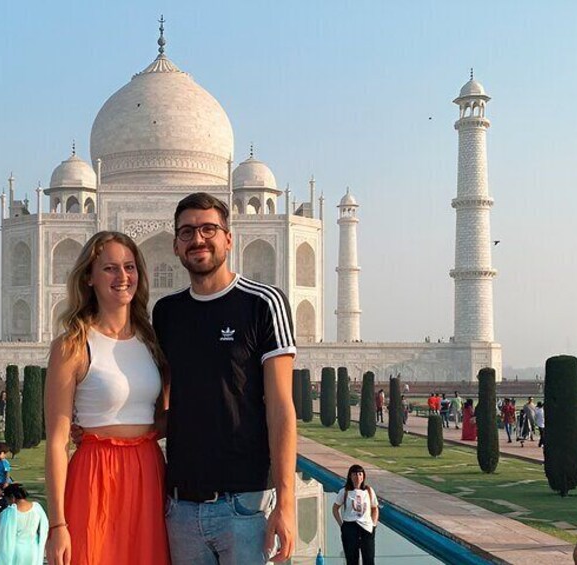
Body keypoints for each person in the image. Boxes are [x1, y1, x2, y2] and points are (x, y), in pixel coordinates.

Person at [153, 193, 297, 564]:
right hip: (181, 506)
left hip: (244, 504)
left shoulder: (263, 302)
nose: (198, 239)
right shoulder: (166, 313)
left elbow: (281, 408)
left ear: (228, 238)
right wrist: (102, 430)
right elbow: (163, 405)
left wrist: (286, 502)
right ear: (175, 245)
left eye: (208, 229)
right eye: (187, 232)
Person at [45, 231, 170, 565]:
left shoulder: (152, 341)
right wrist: (57, 525)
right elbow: (57, 441)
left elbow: (162, 418)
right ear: (89, 277)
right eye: (110, 268)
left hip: (148, 471)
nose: (122, 276)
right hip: (95, 474)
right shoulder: (73, 345)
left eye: (129, 267)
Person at [332, 464, 379, 565]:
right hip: (350, 527)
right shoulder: (344, 491)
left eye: (360, 474)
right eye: (354, 474)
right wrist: (341, 525)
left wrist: (374, 524)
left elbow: (375, 508)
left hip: (367, 528)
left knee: (369, 558)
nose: (357, 477)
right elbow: (335, 509)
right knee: (352, 559)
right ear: (350, 476)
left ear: (363, 476)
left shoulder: (369, 491)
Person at [0, 483, 48, 565]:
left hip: (16, 551)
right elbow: (45, 527)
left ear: (12, 497)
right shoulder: (37, 508)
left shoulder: (9, 512)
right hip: (34, 549)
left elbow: (4, 537)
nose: (8, 503)